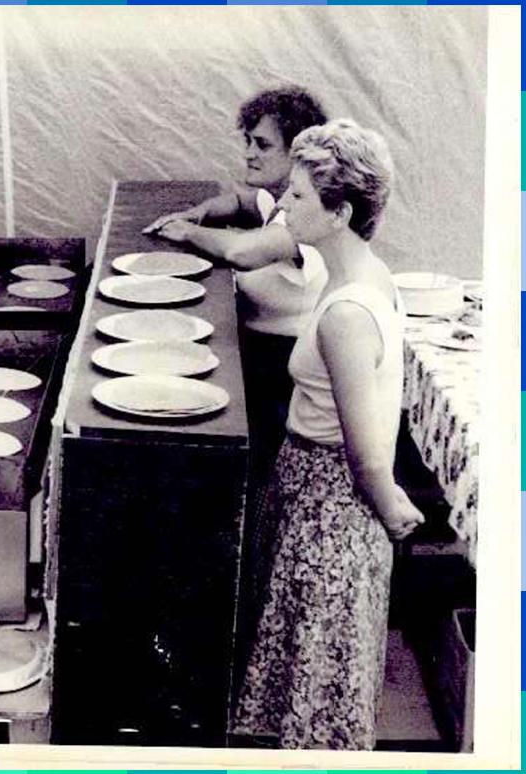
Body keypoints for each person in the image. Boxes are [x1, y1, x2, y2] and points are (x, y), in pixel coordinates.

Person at [232, 119, 425, 750]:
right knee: (311, 683)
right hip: (311, 494)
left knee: (317, 694)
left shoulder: (346, 313)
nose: (282, 204)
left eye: (297, 196)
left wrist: (393, 512)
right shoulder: (366, 273)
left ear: (339, 212)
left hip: (329, 509)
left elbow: (368, 455)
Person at [144, 86, 329, 520]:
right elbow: (246, 200)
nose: (248, 153)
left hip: (288, 381)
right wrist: (203, 211)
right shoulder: (280, 198)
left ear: (299, 152)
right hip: (262, 362)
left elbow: (242, 252)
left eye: (262, 144)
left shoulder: (309, 214)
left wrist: (187, 232)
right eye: (246, 140)